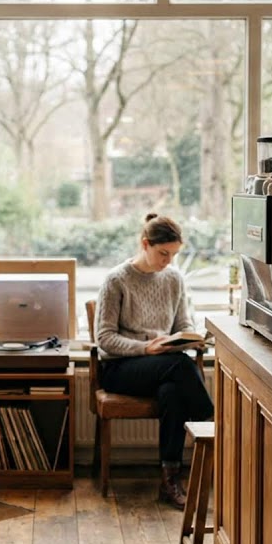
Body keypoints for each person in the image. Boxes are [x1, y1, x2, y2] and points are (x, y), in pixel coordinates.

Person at [94, 214, 214, 509]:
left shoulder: (174, 279)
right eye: (163, 253)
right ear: (145, 244)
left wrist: (189, 338)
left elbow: (183, 322)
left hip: (163, 367)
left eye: (174, 254)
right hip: (121, 367)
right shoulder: (116, 280)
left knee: (172, 393)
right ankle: (208, 418)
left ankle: (169, 481)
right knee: (182, 367)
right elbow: (104, 339)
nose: (168, 261)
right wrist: (146, 348)